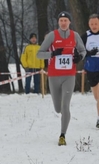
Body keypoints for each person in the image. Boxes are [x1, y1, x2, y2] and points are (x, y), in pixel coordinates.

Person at [37, 11, 86, 146]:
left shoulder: (75, 36)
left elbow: (83, 51)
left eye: (66, 20)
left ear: (69, 22)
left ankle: (62, 135)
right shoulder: (52, 35)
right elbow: (39, 54)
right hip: (53, 76)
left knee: (65, 106)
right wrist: (52, 54)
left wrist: (79, 57)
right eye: (61, 20)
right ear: (58, 22)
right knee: (58, 108)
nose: (63, 23)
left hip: (69, 75)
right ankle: (61, 121)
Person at [81, 13, 99, 128]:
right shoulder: (85, 36)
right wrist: (88, 53)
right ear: (89, 24)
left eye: (96, 23)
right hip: (92, 68)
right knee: (97, 97)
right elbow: (79, 51)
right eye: (92, 24)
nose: (94, 26)